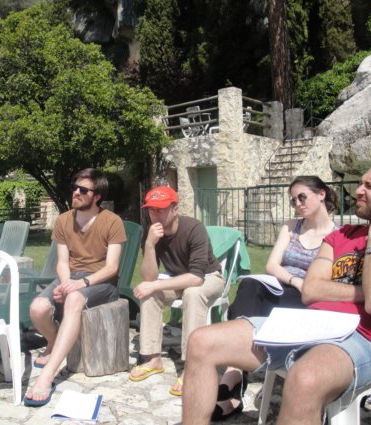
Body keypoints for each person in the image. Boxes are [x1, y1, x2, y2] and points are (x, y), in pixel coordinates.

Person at [183, 168, 371, 425]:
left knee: (305, 378)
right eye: (360, 183)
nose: (358, 191)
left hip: (358, 336)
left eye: (368, 186)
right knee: (201, 341)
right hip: (309, 321)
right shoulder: (341, 236)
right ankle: (233, 378)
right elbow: (311, 290)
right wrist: (357, 293)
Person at [214, 176, 338, 420]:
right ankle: (234, 369)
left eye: (302, 197)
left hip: (307, 300)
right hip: (283, 286)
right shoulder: (292, 227)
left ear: (321, 194)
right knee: (250, 285)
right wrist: (295, 280)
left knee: (253, 308)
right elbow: (272, 265)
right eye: (293, 200)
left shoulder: (336, 235)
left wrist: (305, 285)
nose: (298, 204)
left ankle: (234, 384)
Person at [24, 168, 126, 407]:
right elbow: (62, 262)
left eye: (83, 190)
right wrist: (65, 283)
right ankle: (54, 341)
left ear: (97, 196)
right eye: (75, 188)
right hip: (72, 277)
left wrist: (80, 285)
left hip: (101, 282)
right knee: (38, 308)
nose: (76, 193)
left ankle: (47, 375)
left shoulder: (112, 221)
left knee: (73, 299)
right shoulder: (63, 220)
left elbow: (111, 267)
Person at [128, 186, 225, 397]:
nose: (155, 214)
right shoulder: (152, 233)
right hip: (177, 277)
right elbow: (149, 277)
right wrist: (150, 245)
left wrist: (155, 285)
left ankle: (193, 367)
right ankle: (153, 359)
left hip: (209, 276)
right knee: (149, 293)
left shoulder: (193, 228)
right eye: (151, 210)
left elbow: (196, 278)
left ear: (175, 209)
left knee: (192, 293)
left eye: (161, 209)